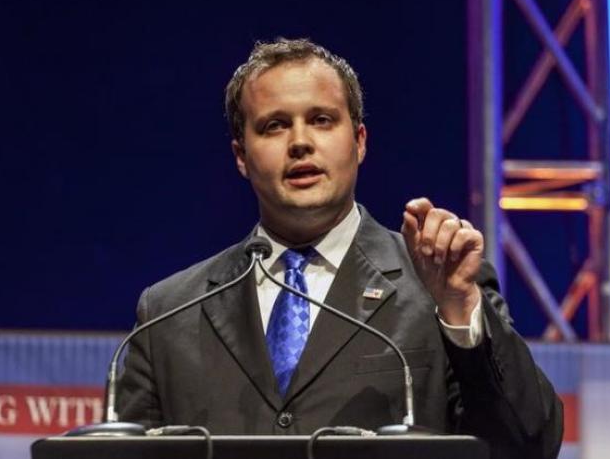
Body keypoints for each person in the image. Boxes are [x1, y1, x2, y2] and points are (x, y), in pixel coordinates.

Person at [117, 38, 563, 459]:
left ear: (360, 141)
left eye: (322, 120)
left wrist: (460, 310)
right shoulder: (168, 313)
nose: (300, 142)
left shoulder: (437, 286)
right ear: (240, 155)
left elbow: (529, 444)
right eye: (274, 125)